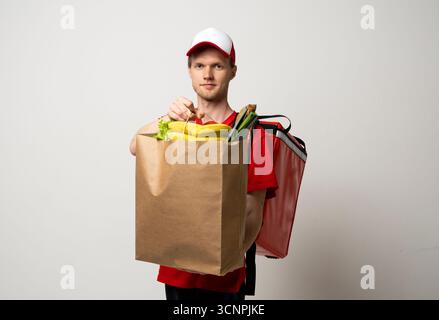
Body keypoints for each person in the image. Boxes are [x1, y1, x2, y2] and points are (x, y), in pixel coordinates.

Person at [129, 27, 277, 301]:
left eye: (217, 66)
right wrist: (166, 120)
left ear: (233, 70)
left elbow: (253, 212)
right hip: (176, 273)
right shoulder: (178, 126)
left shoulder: (253, 134)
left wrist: (221, 261)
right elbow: (135, 146)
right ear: (189, 71)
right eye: (199, 66)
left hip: (225, 280)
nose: (207, 75)